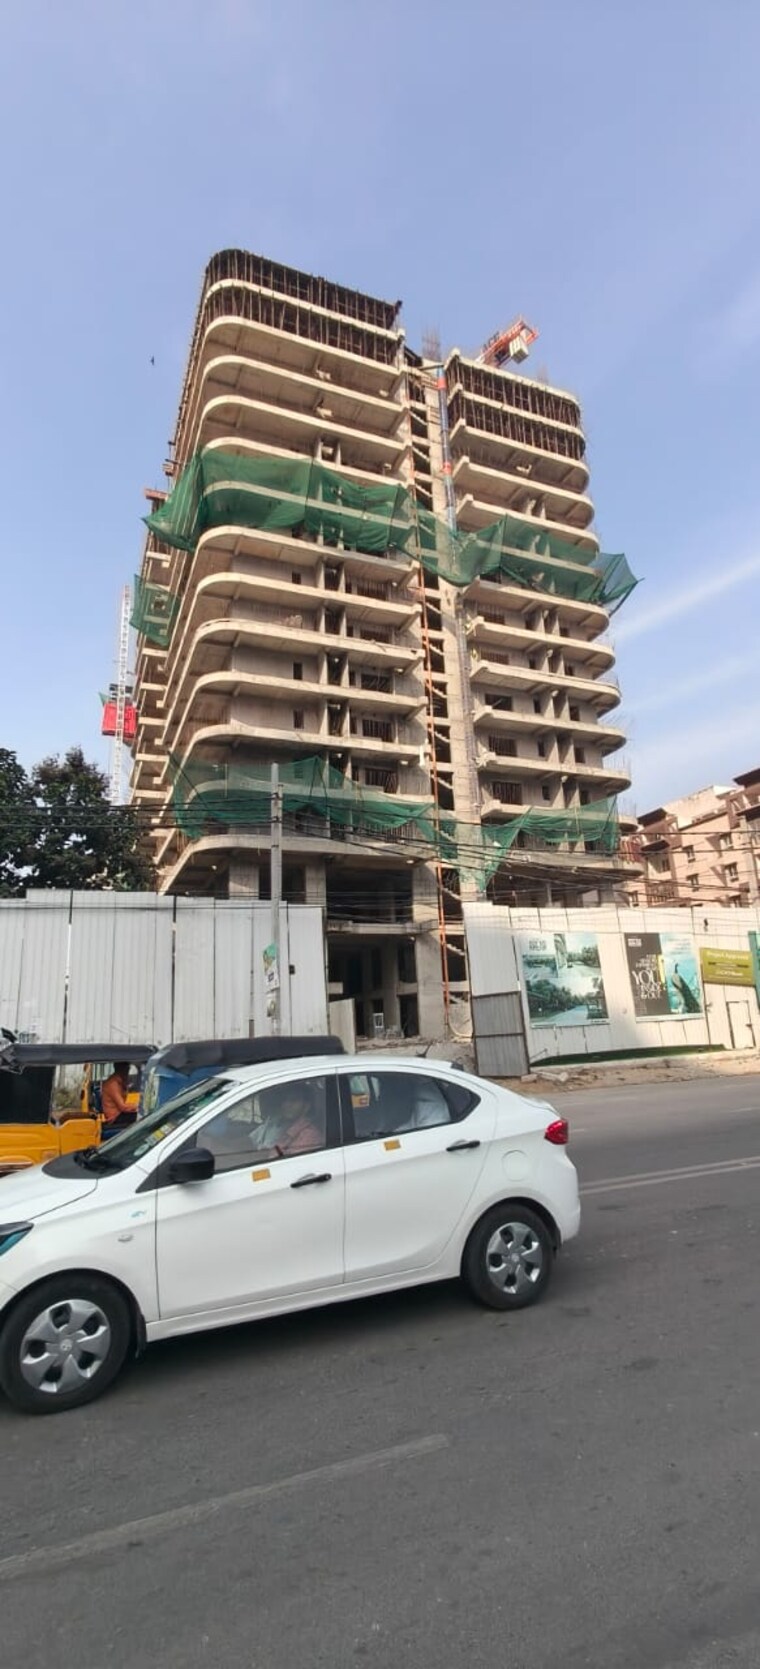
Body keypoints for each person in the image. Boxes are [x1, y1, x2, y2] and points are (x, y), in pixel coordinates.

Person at [100, 1063, 137, 1135]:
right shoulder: (113, 1084)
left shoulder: (120, 1082)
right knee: (142, 1117)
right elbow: (123, 1107)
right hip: (114, 1118)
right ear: (121, 1069)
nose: (128, 1072)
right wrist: (137, 1106)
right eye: (127, 1069)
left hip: (119, 1114)